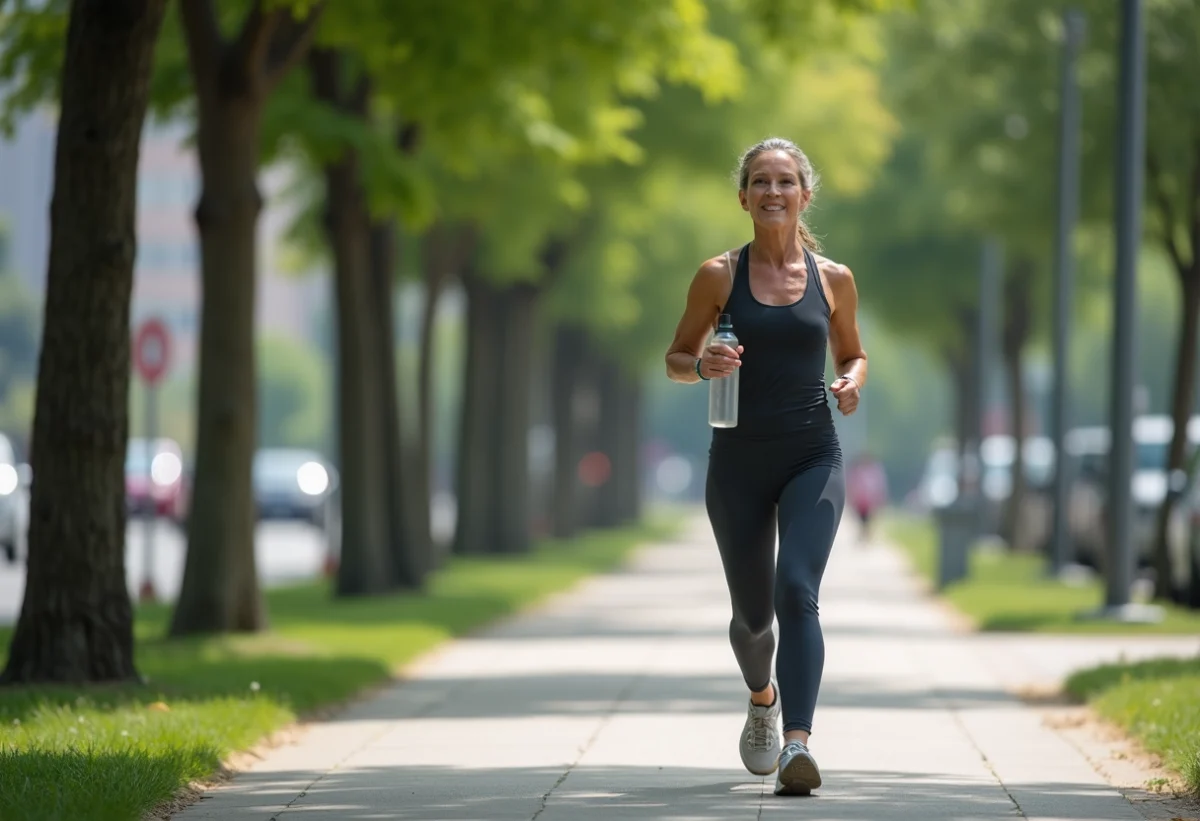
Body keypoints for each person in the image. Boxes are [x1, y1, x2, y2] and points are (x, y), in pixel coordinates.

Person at [664, 137, 867, 796]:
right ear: (744, 196)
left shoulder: (833, 278)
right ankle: (762, 697)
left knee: (797, 590)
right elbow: (675, 355)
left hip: (813, 452)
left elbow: (853, 354)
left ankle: (798, 745)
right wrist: (702, 366)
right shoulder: (718, 275)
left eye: (786, 182)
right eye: (761, 181)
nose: (773, 192)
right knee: (753, 620)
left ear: (805, 195)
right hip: (738, 460)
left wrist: (851, 382)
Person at [847, 452, 889, 543]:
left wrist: (880, 499)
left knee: (868, 519)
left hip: (870, 501)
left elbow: (879, 486)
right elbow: (853, 485)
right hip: (860, 501)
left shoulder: (874, 471)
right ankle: (864, 534)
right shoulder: (858, 471)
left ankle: (865, 534)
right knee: (862, 519)